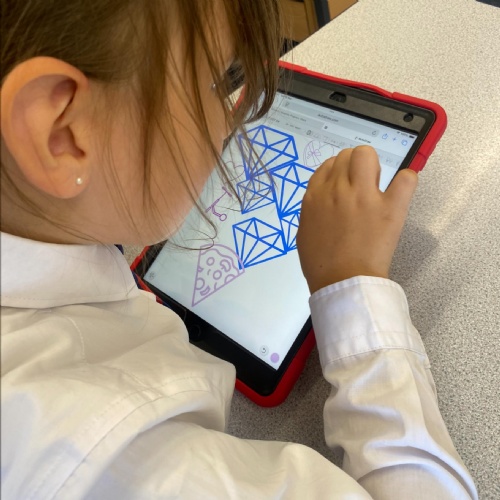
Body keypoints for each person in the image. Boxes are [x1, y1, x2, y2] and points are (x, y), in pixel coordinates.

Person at [0, 0, 478, 498]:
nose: (229, 122)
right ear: (61, 133)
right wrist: (352, 282)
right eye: (215, 83)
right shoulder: (115, 457)